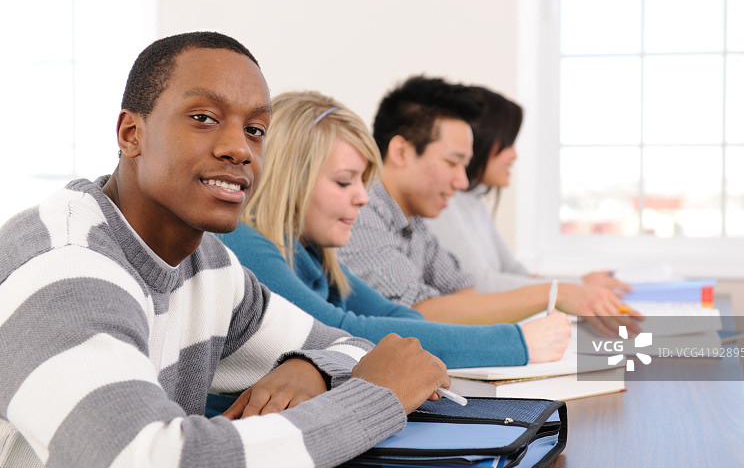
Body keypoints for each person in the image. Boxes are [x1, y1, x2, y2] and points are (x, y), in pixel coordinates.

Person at [0, 32, 450, 468]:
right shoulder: (66, 264)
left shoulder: (209, 263)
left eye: (255, 130)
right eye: (203, 118)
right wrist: (375, 400)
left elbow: (350, 346)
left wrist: (311, 366)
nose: (239, 149)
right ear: (131, 134)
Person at [219, 90, 571, 371]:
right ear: (288, 181)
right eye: (344, 182)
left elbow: (398, 316)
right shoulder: (245, 245)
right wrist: (516, 343)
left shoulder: (314, 252)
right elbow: (339, 331)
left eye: (363, 181)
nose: (361, 197)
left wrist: (418, 357)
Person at [338, 75, 643, 338]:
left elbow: (465, 291)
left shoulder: (413, 222)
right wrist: (555, 293)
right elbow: (417, 314)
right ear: (401, 151)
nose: (461, 182)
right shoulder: (360, 212)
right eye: (452, 163)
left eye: (465, 165)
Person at [426, 85, 633, 294]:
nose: (514, 155)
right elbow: (481, 286)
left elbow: (515, 272)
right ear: (479, 142)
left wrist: (578, 283)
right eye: (507, 144)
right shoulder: (443, 204)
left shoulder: (474, 203)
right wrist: (577, 287)